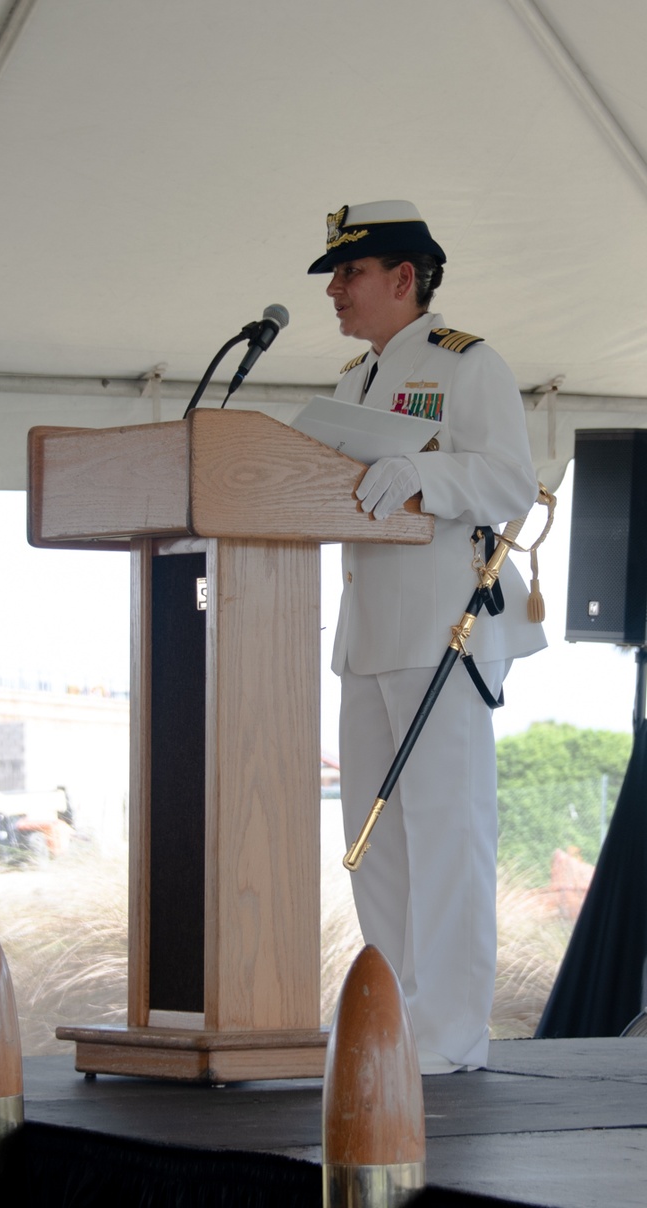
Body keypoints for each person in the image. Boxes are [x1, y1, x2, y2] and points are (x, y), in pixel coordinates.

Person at [308, 200, 546, 1073]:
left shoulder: (467, 363)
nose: (336, 290)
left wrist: (426, 472)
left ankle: (448, 1037)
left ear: (405, 278)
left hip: (441, 635)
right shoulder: (352, 379)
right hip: (369, 632)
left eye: (350, 273)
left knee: (447, 837)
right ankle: (394, 1022)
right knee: (375, 846)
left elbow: (510, 482)